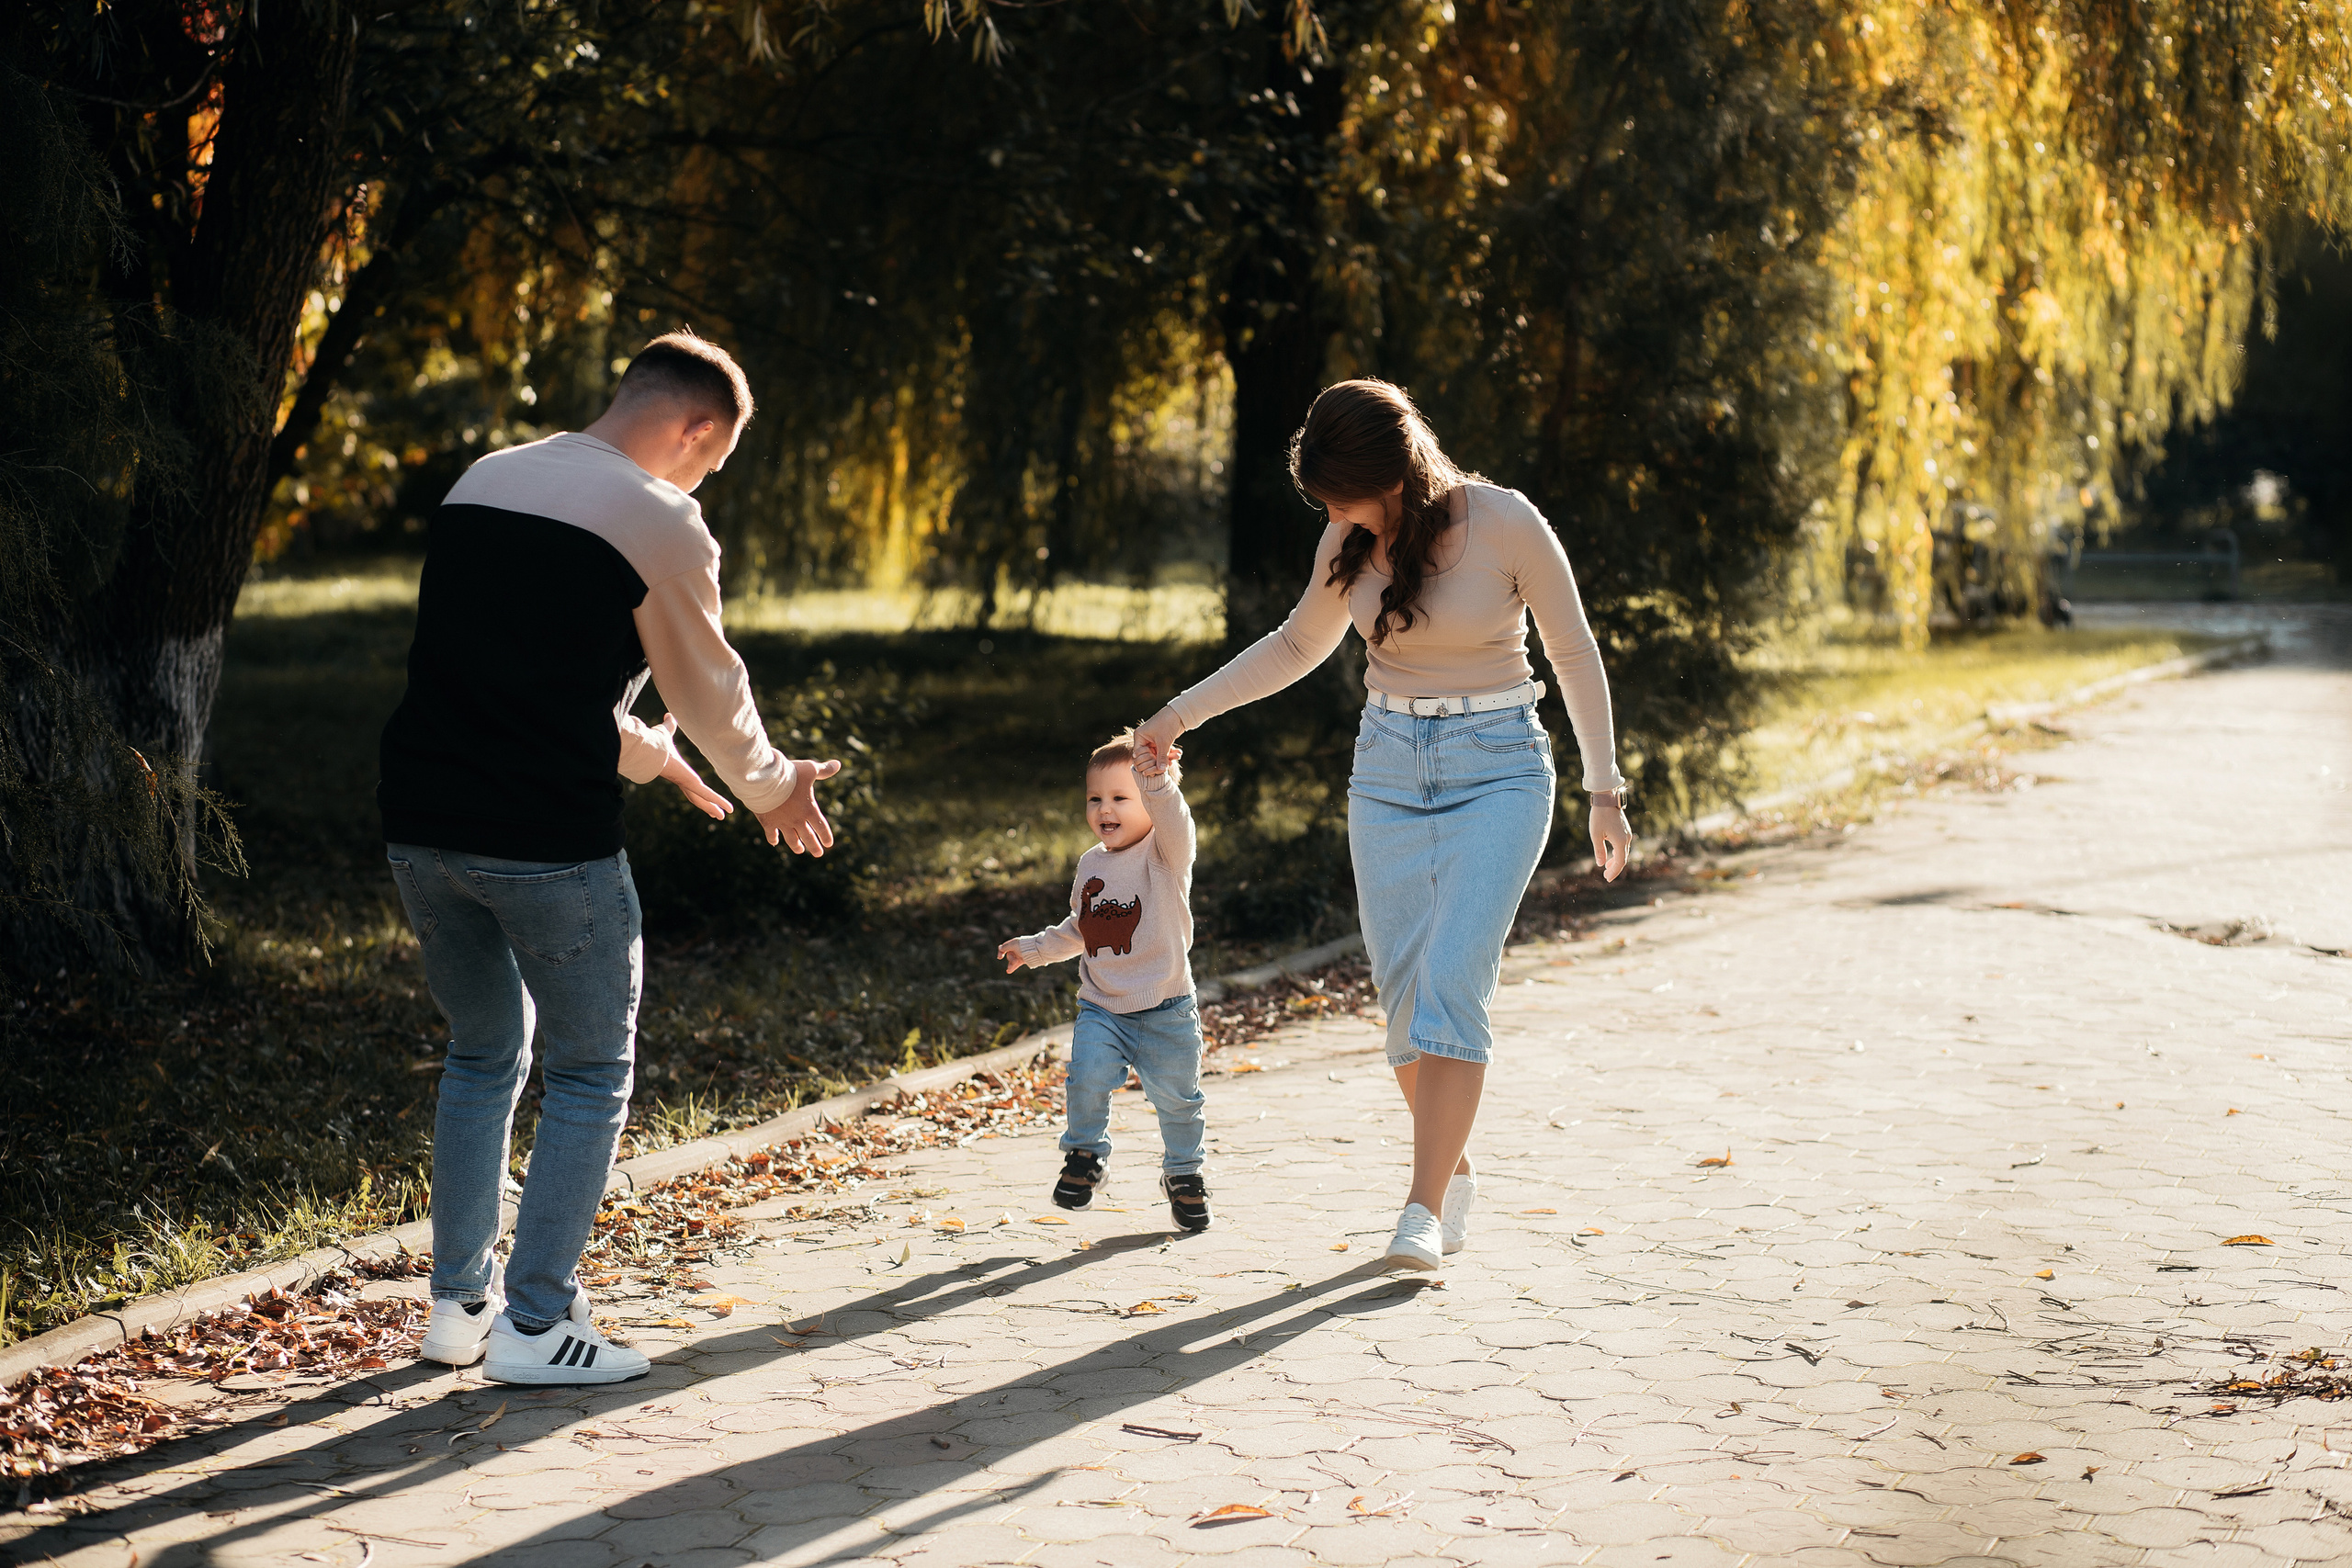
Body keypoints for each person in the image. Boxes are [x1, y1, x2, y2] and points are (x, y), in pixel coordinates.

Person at [378, 330, 842, 1383]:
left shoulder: (484, 481)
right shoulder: (658, 519)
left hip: (421, 821)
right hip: (545, 841)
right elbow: (714, 698)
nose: (703, 481)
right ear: (696, 429)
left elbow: (513, 682)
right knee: (589, 1069)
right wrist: (771, 787)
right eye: (713, 463)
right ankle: (536, 1328)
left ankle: (459, 1309)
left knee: (482, 1052)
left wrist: (659, 764)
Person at [1134, 378, 1632, 1271]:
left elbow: (1572, 650)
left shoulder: (1505, 522)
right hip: (1388, 772)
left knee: (1450, 980)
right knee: (1404, 1005)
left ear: (1391, 474)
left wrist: (1604, 790)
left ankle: (1421, 1209)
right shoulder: (1348, 541)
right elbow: (1294, 645)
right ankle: (1454, 1168)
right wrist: (1178, 715)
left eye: (1337, 493)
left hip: (1499, 770)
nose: (1329, 512)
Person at [997, 731, 1211, 1233]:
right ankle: (1086, 1158)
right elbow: (1084, 926)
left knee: (1179, 1099)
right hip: (1103, 1006)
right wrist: (1034, 949)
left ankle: (1184, 1173)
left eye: (1121, 797)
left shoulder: (1166, 853)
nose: (1104, 809)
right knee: (1086, 1078)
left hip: (1166, 1006)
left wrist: (1156, 779)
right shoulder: (1092, 863)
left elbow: (1176, 820)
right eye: (1096, 798)